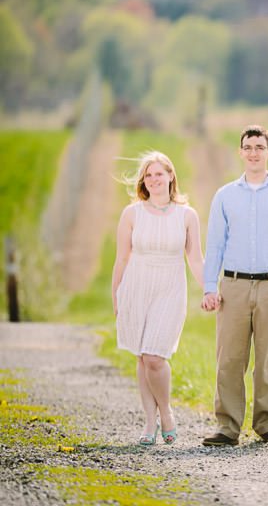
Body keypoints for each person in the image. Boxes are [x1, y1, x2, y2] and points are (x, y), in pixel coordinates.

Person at [201, 124, 268, 447]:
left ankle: (267, 423)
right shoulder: (225, 196)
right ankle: (227, 427)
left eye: (260, 147)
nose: (254, 152)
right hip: (232, 285)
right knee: (230, 358)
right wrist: (209, 285)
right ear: (240, 152)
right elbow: (215, 243)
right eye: (248, 147)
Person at [112, 151, 204, 446]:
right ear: (144, 181)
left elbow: (195, 259)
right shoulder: (132, 213)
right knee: (141, 356)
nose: (153, 179)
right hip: (136, 286)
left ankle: (166, 413)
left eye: (159, 174)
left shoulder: (187, 215)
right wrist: (116, 295)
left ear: (170, 176)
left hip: (170, 289)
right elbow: (122, 259)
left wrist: (210, 289)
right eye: (148, 175)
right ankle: (149, 423)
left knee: (154, 356)